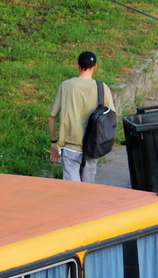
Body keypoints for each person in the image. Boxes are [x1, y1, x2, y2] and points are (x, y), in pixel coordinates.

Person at [48, 51, 115, 183]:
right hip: (92, 147)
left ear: (77, 65)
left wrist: (54, 142)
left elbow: (52, 117)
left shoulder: (66, 86)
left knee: (71, 192)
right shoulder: (102, 88)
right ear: (95, 67)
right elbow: (111, 118)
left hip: (69, 147)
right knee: (86, 193)